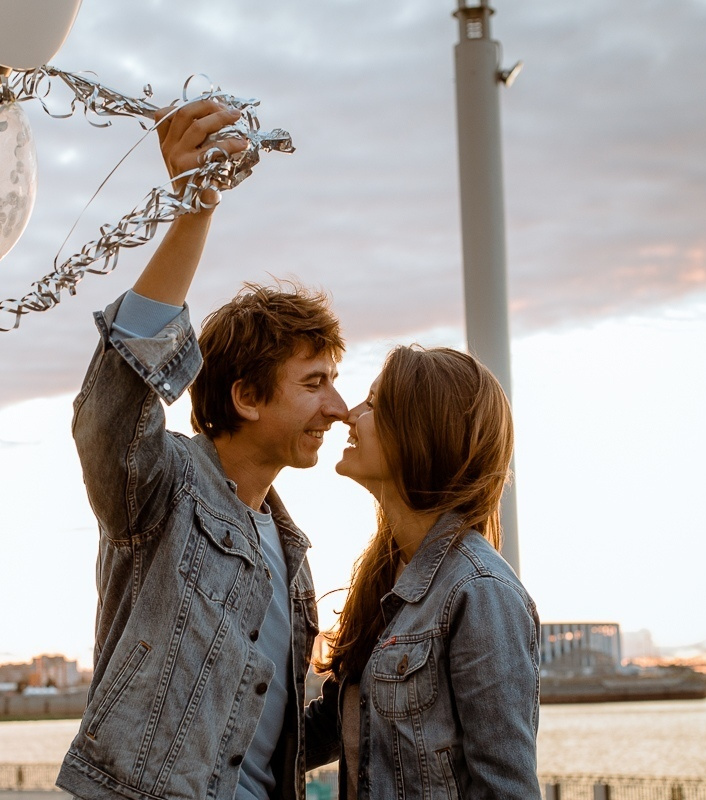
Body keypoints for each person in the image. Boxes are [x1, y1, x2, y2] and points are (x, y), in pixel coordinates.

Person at [56, 98, 348, 800]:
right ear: (247, 397)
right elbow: (114, 402)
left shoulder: (291, 550)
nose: (337, 408)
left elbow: (266, 737)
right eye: (314, 384)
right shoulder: (163, 489)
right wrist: (195, 210)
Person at [305, 346, 541, 798]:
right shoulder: (386, 578)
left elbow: (505, 787)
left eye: (374, 404)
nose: (349, 415)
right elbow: (330, 725)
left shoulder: (480, 591)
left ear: (421, 432)